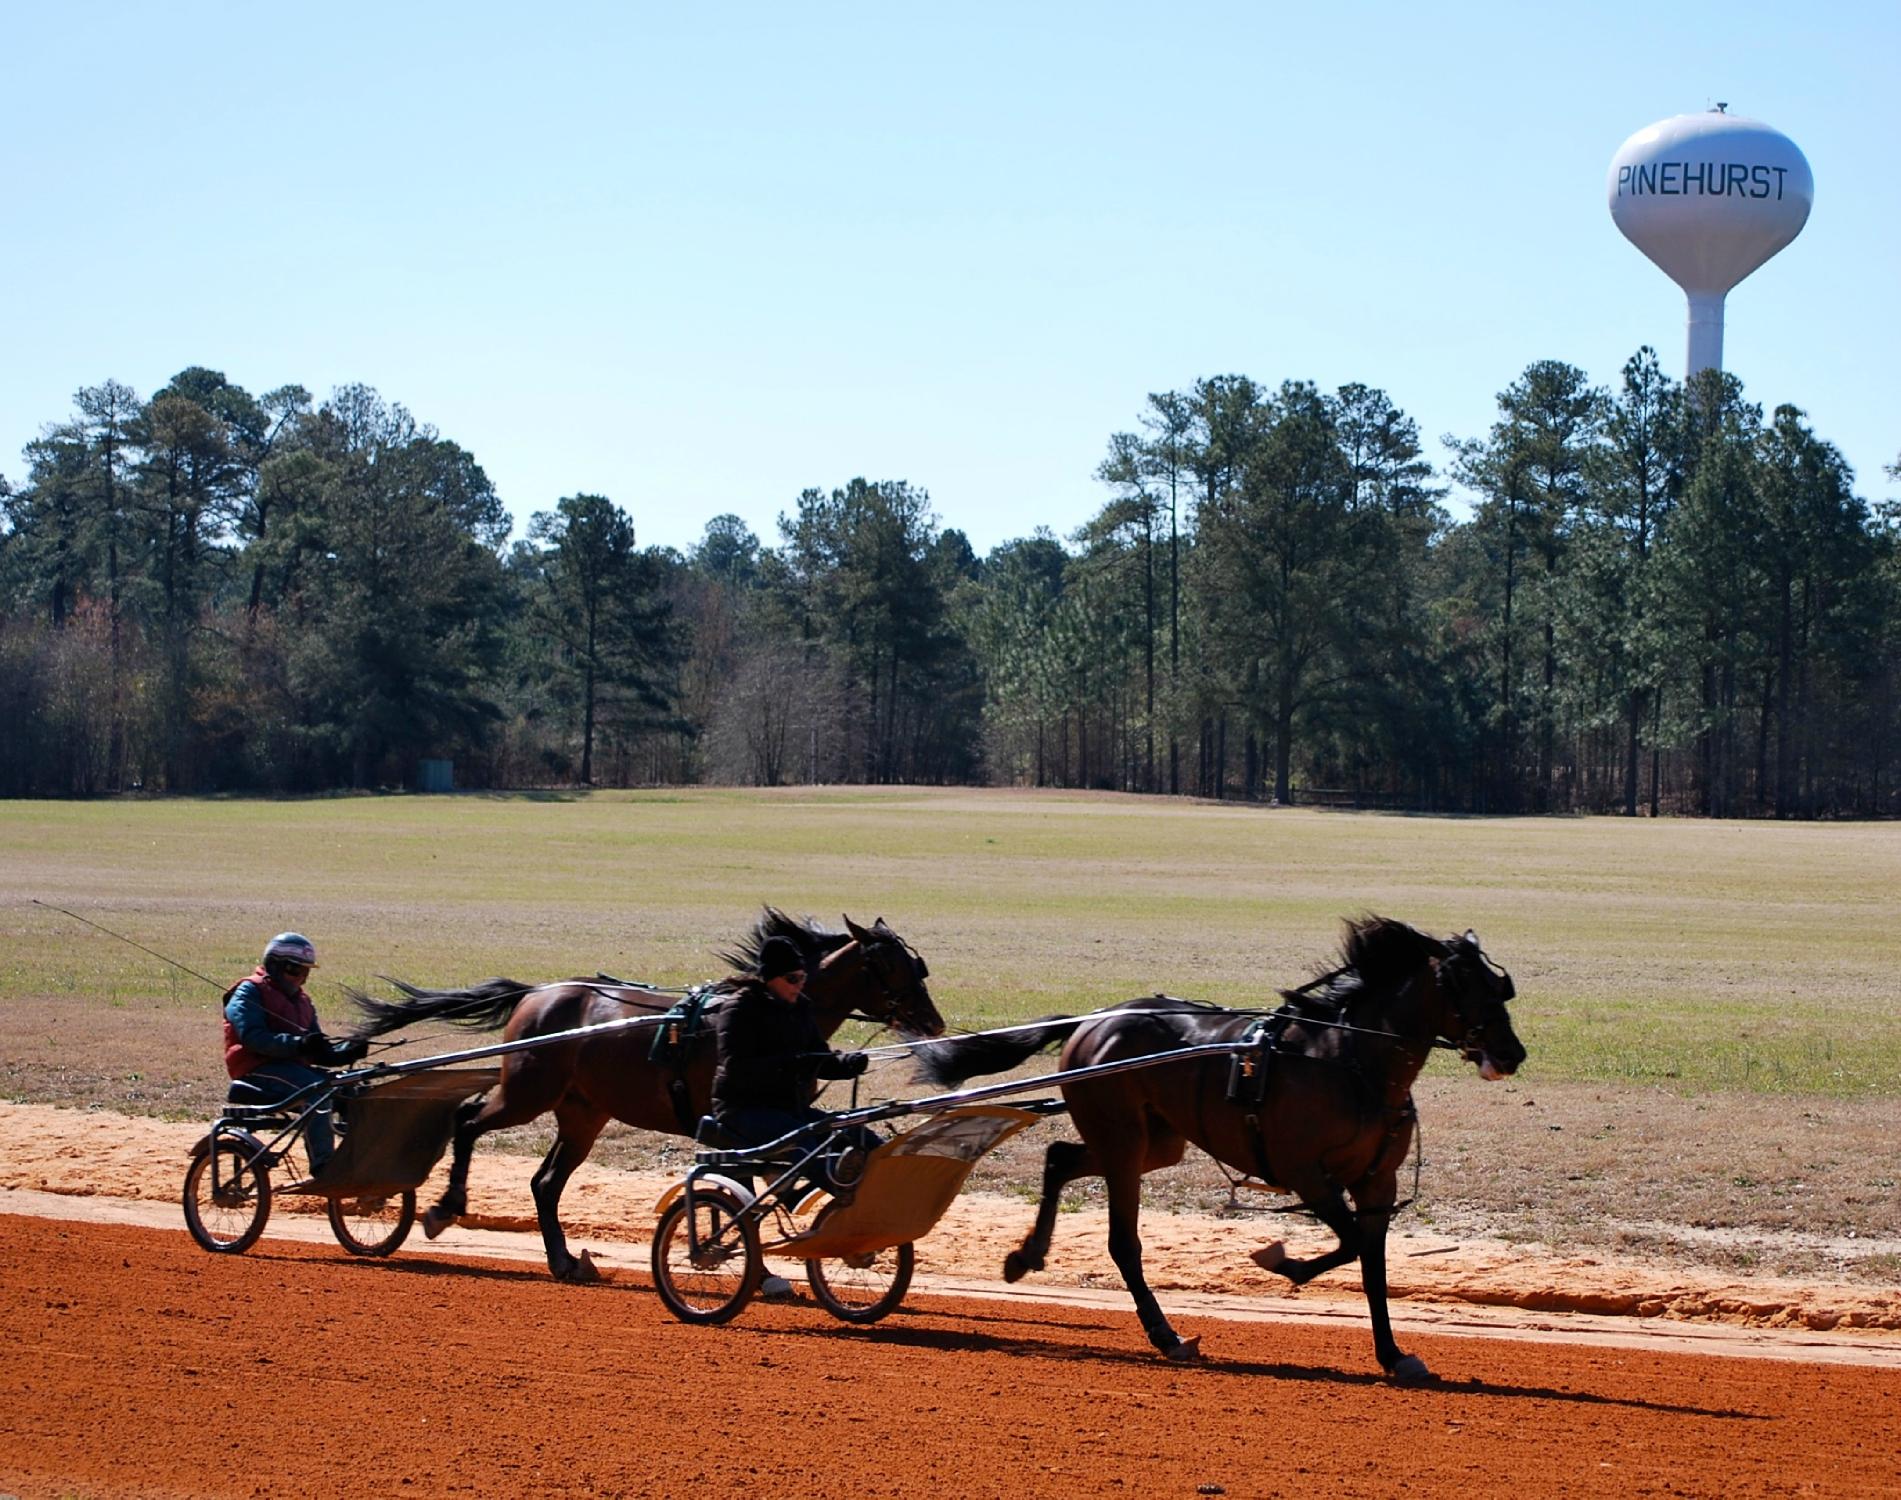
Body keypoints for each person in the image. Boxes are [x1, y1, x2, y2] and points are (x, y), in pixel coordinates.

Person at [710, 935, 874, 1300]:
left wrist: (847, 1064)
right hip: (743, 1110)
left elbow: (821, 1058)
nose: (800, 987)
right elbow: (736, 1069)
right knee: (806, 1143)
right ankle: (844, 1202)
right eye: (793, 980)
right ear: (770, 978)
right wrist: (787, 1065)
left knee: (858, 1134)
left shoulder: (800, 1008)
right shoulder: (739, 1009)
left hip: (789, 1110)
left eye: (803, 978)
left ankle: (869, 1194)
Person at [222, 932, 367, 1176]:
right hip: (257, 1069)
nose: (301, 978)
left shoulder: (303, 1002)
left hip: (295, 1070)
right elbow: (253, 1037)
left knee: (351, 1088)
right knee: (317, 1090)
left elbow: (318, 1049)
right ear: (274, 965)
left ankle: (356, 1160)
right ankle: (324, 1167)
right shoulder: (248, 992)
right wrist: (299, 1044)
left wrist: (346, 1052)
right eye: (294, 970)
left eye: (305, 973)